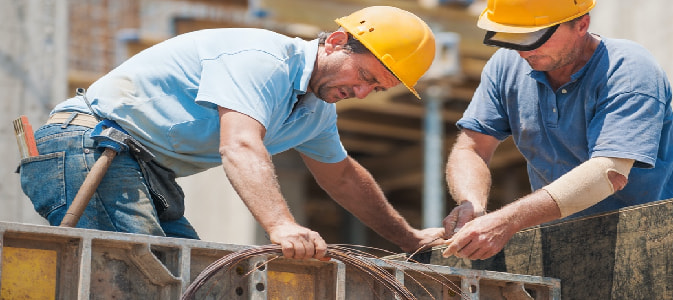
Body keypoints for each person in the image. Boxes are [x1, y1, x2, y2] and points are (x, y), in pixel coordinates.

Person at [19, 6, 443, 260]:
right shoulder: (263, 60)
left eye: (377, 88)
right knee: (139, 274)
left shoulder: (315, 112)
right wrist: (281, 225)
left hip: (141, 169)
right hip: (89, 147)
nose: (362, 92)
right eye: (365, 75)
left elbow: (344, 178)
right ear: (334, 41)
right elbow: (239, 144)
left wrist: (410, 239)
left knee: (194, 278)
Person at [441, 0, 673, 260]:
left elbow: (609, 172)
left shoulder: (629, 70)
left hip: (658, 237)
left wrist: (507, 221)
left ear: (582, 24)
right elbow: (471, 147)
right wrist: (472, 205)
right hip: (565, 243)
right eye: (513, 37)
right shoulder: (506, 66)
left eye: (534, 37)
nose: (523, 52)